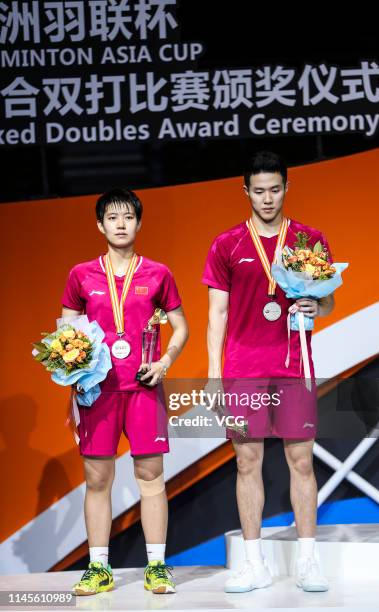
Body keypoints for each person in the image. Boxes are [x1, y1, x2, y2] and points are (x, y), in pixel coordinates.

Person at [202, 151, 334, 593]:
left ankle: (309, 562)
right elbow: (216, 315)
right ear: (246, 192)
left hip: (295, 366)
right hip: (243, 370)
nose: (267, 198)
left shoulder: (309, 240)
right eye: (258, 191)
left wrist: (319, 304)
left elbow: (329, 301)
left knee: (301, 461)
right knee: (247, 461)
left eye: (275, 189)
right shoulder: (227, 245)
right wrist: (214, 373)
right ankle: (253, 564)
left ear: (286, 188)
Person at [61, 188, 189, 595]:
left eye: (127, 217)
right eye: (112, 218)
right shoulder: (81, 275)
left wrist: (165, 361)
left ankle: (156, 566)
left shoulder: (158, 273)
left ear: (138, 223)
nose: (120, 224)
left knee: (150, 477)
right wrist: (72, 378)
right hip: (96, 393)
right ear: (99, 225)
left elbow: (181, 326)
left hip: (144, 389)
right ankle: (99, 569)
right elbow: (66, 335)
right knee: (97, 480)